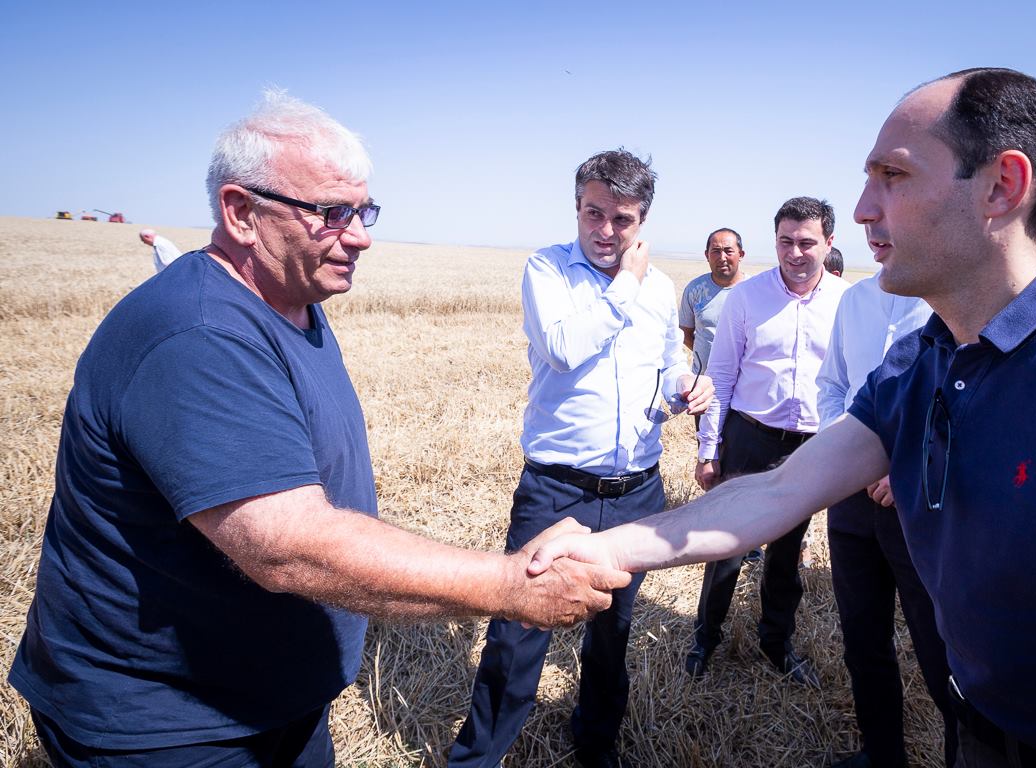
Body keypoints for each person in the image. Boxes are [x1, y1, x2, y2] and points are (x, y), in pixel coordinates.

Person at [529, 68, 1036, 767]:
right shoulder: (920, 362)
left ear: (1002, 187)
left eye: (892, 176)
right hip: (975, 737)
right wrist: (607, 546)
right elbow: (777, 490)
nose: (865, 209)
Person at [7, 91, 629, 768]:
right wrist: (509, 586)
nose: (359, 235)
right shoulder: (199, 335)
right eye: (332, 213)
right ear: (241, 212)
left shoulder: (288, 300)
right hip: (170, 725)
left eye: (363, 211)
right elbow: (285, 545)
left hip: (270, 699)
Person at [448, 149, 713, 768]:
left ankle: (596, 746)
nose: (606, 230)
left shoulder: (660, 287)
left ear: (642, 220)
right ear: (576, 208)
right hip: (557, 489)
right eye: (594, 213)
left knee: (612, 631)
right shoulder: (548, 269)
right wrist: (626, 285)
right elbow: (565, 348)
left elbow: (665, 361)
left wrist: (685, 384)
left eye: (623, 219)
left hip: (637, 489)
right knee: (518, 633)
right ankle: (477, 758)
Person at [685, 196, 848, 686]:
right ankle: (704, 639)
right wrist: (709, 450)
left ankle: (777, 642)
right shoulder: (746, 298)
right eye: (785, 241)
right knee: (726, 546)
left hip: (810, 447)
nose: (795, 253)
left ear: (829, 243)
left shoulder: (847, 302)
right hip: (749, 438)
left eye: (806, 242)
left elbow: (850, 381)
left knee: (786, 552)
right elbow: (721, 376)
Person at [816, 276, 954, 768]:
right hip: (851, 500)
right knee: (863, 638)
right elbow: (832, 386)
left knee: (940, 650)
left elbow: (963, 403)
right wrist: (850, 454)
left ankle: (964, 754)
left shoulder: (947, 298)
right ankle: (881, 754)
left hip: (920, 504)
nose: (878, 239)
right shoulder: (853, 300)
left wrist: (908, 468)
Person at [679, 227, 747, 372]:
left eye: (728, 251)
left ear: (741, 254)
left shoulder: (754, 290)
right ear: (707, 255)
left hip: (743, 382)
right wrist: (708, 355)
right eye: (716, 251)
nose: (722, 257)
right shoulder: (694, 289)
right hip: (703, 379)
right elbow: (685, 332)